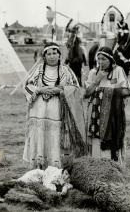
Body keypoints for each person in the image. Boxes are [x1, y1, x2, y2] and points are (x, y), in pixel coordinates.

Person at [23, 42, 87, 170]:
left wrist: (60, 90)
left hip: (58, 112)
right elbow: (27, 86)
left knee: (55, 137)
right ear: (44, 56)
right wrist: (40, 90)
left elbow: (76, 89)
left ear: (59, 55)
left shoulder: (66, 71)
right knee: (40, 134)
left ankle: (56, 168)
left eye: (54, 53)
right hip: (39, 112)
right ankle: (39, 167)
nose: (52, 56)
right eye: (49, 54)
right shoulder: (38, 70)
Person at [84, 46, 130, 164]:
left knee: (111, 142)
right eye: (98, 59)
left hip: (113, 116)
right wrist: (97, 80)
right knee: (95, 141)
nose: (100, 62)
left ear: (111, 59)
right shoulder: (93, 72)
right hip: (95, 115)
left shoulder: (118, 71)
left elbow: (127, 91)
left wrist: (109, 91)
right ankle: (96, 165)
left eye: (104, 59)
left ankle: (113, 165)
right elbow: (86, 94)